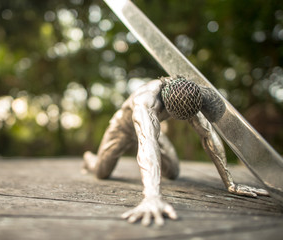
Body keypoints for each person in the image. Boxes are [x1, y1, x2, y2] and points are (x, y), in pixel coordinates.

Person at [83, 76, 268, 226]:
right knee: (101, 171)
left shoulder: (190, 96)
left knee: (173, 172)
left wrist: (230, 183)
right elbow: (147, 143)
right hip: (123, 130)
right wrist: (152, 196)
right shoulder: (145, 101)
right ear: (167, 104)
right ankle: (89, 158)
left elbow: (208, 136)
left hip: (153, 130)